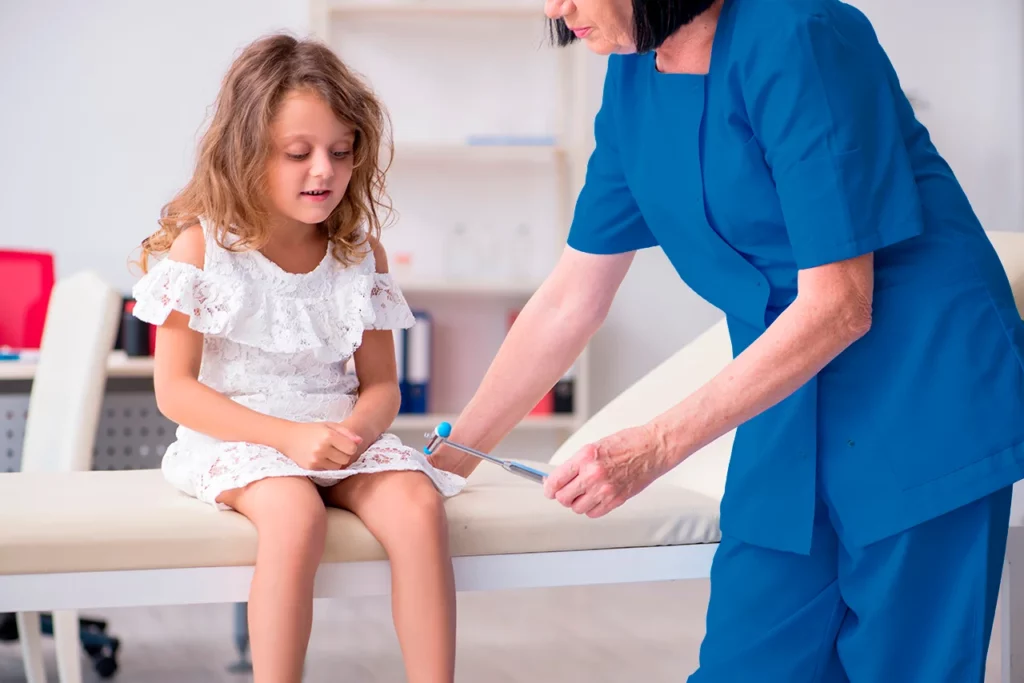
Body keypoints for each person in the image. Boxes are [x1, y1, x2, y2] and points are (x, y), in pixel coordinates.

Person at [428, 0, 1024, 680]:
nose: (554, 8)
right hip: (787, 407)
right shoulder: (631, 79)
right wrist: (445, 460)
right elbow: (571, 299)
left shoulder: (799, 35)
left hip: (920, 399)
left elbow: (839, 306)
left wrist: (654, 444)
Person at [130, 33, 464, 683]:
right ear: (246, 154)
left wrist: (353, 433)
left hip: (335, 435)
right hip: (241, 436)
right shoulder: (203, 249)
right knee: (294, 512)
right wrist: (289, 437)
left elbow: (382, 388)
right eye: (298, 153)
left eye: (341, 152)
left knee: (420, 506)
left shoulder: (360, 254)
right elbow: (174, 391)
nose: (325, 171)